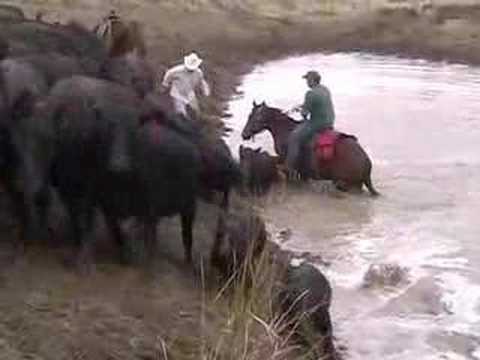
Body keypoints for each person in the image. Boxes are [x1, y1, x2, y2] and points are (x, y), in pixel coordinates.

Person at [286, 70, 335, 176]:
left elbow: (304, 114)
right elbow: (316, 104)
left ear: (312, 80)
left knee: (294, 137)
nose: (306, 82)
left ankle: (289, 167)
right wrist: (302, 106)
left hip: (318, 123)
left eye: (307, 80)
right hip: (330, 121)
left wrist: (301, 110)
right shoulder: (325, 89)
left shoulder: (310, 93)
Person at [160, 52, 211, 117]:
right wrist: (165, 84)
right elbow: (168, 75)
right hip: (177, 94)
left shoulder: (198, 73)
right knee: (181, 113)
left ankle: (196, 121)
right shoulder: (176, 70)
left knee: (196, 110)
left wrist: (205, 91)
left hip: (190, 93)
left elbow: (202, 82)